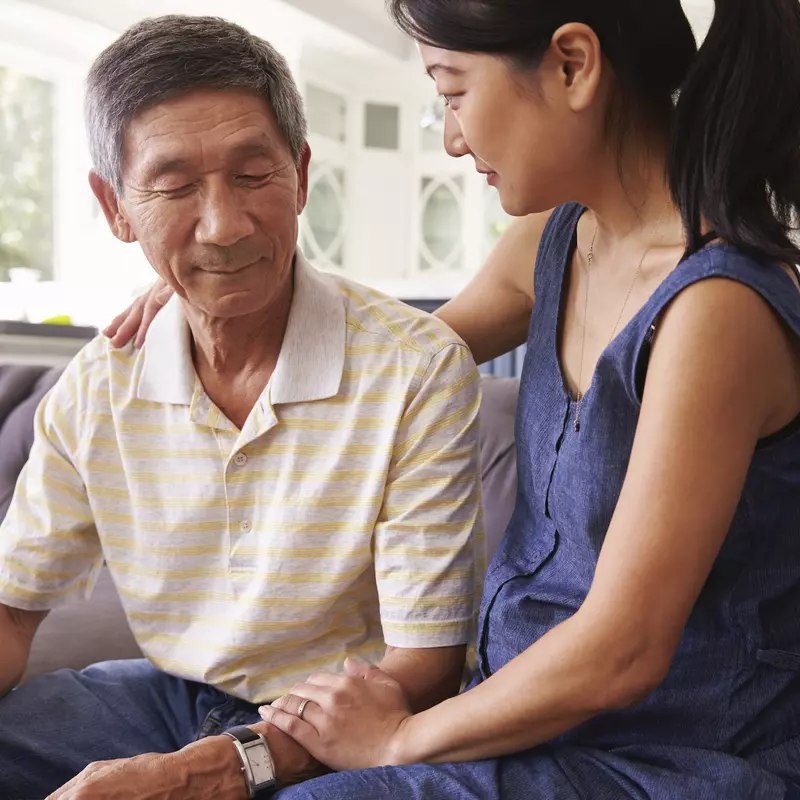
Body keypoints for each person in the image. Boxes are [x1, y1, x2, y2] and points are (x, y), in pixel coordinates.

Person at [111, 0, 800, 798]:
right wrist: (214, 295)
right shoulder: (553, 241)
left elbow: (624, 649)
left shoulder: (717, 311)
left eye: (452, 91)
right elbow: (380, 363)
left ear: (573, 65)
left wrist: (400, 739)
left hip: (670, 761)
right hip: (520, 727)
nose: (452, 136)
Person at [0, 15, 486, 800]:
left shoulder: (416, 369)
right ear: (115, 206)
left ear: (299, 171)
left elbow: (423, 666)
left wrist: (209, 771)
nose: (225, 226)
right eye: (175, 186)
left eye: (254, 175)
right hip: (158, 696)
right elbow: (11, 610)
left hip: (337, 724)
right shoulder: (99, 386)